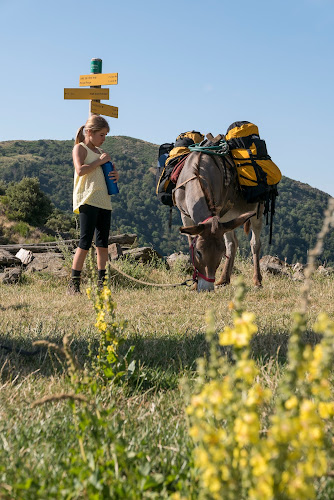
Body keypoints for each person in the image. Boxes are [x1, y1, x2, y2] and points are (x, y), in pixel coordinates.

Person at [68, 115, 119, 294]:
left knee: (102, 244)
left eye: (105, 135)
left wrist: (115, 175)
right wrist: (100, 162)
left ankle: (102, 283)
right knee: (84, 242)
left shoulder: (100, 152)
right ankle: (74, 284)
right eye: (101, 135)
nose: (103, 139)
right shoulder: (79, 148)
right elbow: (80, 170)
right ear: (89, 132)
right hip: (87, 200)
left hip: (104, 201)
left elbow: (103, 173)